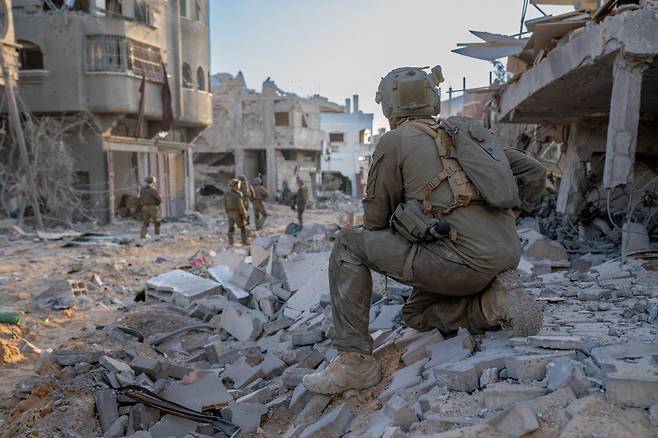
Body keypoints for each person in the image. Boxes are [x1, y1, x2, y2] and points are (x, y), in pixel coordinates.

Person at [303, 66, 546, 395]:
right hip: (505, 254)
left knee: (348, 243)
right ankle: (492, 303)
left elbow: (374, 224)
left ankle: (355, 364)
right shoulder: (466, 134)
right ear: (432, 99)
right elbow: (533, 171)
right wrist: (513, 216)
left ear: (389, 108)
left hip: (458, 261)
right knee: (416, 313)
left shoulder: (394, 141)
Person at [224, 178, 249, 246]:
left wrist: (227, 212)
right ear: (236, 185)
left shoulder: (227, 193)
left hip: (229, 213)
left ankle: (230, 242)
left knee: (231, 228)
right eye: (239, 184)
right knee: (243, 227)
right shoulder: (238, 193)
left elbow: (225, 204)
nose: (240, 186)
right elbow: (241, 206)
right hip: (236, 213)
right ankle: (244, 241)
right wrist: (245, 214)